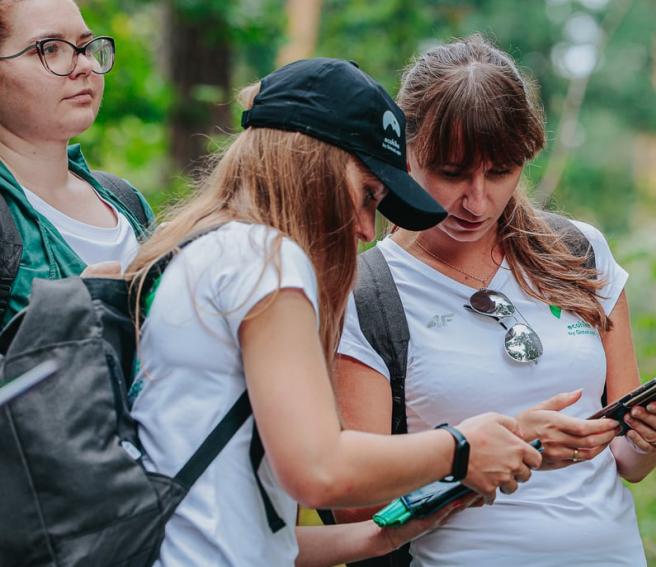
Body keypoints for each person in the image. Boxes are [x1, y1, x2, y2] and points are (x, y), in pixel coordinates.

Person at [125, 58, 542, 567]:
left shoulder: (202, 252)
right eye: (368, 195)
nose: (368, 229)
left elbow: (245, 529)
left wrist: (383, 536)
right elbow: (317, 470)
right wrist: (459, 448)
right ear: (313, 163)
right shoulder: (265, 261)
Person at [333, 35, 656, 566]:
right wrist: (477, 454)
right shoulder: (367, 293)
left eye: (500, 172)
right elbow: (358, 512)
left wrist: (648, 439)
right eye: (451, 173)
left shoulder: (579, 252)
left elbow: (625, 460)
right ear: (405, 151)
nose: (478, 200)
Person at [0, 0, 153, 326]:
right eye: (50, 49)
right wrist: (63, 320)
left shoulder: (126, 202)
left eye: (84, 47)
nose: (83, 65)